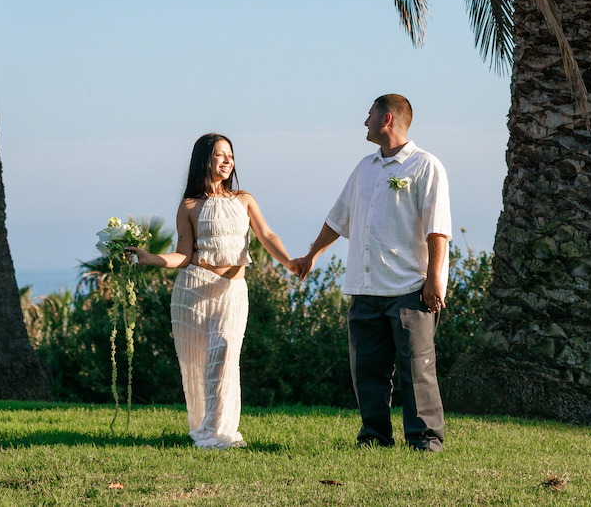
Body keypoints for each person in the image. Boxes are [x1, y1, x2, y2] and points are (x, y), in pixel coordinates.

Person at [291, 94, 451, 451]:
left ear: (388, 119)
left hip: (410, 288)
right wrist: (312, 254)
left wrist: (434, 279)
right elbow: (338, 218)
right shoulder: (364, 168)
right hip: (364, 289)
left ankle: (425, 441)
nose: (364, 122)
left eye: (369, 116)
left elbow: (437, 229)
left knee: (417, 370)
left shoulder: (426, 166)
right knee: (367, 372)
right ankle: (374, 438)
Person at [125, 133, 298, 448]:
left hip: (233, 291)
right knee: (202, 362)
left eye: (230, 154)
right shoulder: (189, 205)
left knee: (225, 354)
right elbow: (183, 254)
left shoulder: (244, 199)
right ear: (204, 160)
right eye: (220, 154)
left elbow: (268, 235)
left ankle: (219, 433)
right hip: (196, 288)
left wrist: (290, 262)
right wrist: (149, 258)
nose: (227, 160)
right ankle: (211, 431)